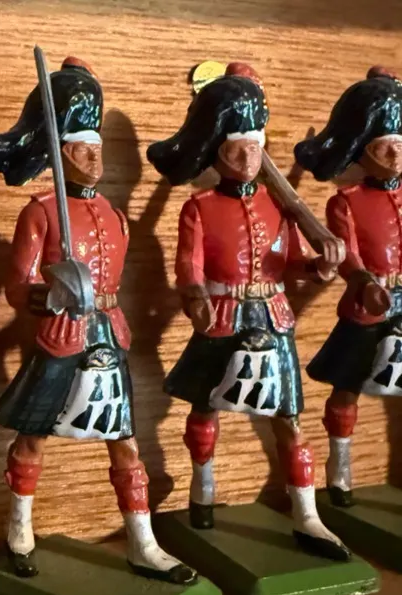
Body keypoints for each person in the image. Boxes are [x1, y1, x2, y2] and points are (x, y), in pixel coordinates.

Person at [0, 56, 196, 584]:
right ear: (61, 152)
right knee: (33, 437)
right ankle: (19, 531)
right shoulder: (39, 212)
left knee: (124, 439)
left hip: (106, 334)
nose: (93, 157)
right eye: (81, 148)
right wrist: (48, 296)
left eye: (96, 148)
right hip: (61, 336)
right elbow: (17, 285)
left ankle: (142, 542)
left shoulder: (115, 216)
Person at [147, 62, 348, 560]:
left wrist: (319, 266)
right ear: (218, 150)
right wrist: (194, 296)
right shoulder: (198, 207)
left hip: (273, 317)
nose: (248, 156)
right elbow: (189, 266)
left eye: (255, 146)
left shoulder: (280, 206)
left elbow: (291, 260)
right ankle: (202, 489)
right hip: (222, 316)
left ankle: (307, 513)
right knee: (205, 407)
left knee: (288, 418)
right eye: (237, 148)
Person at [296, 67, 402, 507]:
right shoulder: (347, 201)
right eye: (384, 147)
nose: (395, 156)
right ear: (363, 149)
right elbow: (348, 254)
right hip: (369, 301)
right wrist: (361, 281)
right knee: (348, 384)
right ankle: (339, 471)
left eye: (400, 146)